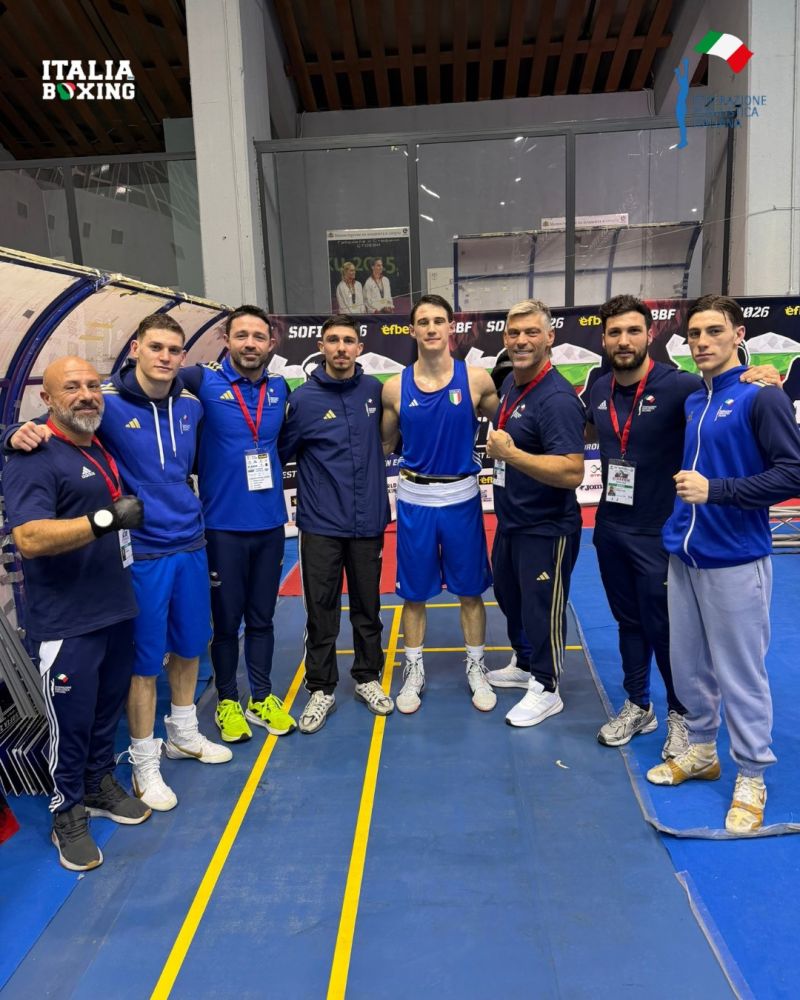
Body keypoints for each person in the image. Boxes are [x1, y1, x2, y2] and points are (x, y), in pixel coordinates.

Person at [8, 315, 233, 811]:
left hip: (190, 544)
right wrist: (13, 434)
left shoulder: (192, 404)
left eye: (174, 349)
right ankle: (144, 760)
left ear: (183, 356)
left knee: (191, 646)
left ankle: (183, 732)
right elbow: (51, 426)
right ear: (136, 348)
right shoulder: (104, 401)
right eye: (156, 347)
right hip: (142, 551)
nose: (165, 357)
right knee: (145, 662)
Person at [584, 295, 781, 760]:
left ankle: (681, 714)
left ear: (649, 334)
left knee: (669, 632)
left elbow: (727, 392)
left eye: (633, 330)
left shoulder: (682, 386)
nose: (624, 340)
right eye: (615, 332)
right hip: (611, 526)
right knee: (628, 623)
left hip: (662, 532)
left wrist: (762, 374)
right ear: (604, 339)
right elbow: (591, 431)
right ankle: (638, 704)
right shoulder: (598, 388)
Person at [646, 295, 800, 833]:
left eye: (714, 331)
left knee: (740, 672)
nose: (703, 342)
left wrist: (717, 491)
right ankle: (703, 751)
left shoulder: (762, 396)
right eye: (694, 334)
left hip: (735, 557)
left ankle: (753, 774)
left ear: (739, 335)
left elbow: (792, 474)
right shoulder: (696, 398)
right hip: (685, 554)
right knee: (689, 666)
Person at [3, 357, 150, 871]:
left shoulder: (96, 441)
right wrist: (106, 518)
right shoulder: (33, 454)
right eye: (71, 387)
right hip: (67, 619)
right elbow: (29, 537)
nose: (86, 394)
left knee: (105, 711)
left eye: (92, 385)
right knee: (71, 722)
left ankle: (96, 784)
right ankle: (66, 811)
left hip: (114, 606)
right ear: (46, 399)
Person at [180, 306, 295, 743]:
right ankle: (227, 700)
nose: (250, 343)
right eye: (241, 335)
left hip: (269, 525)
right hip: (221, 527)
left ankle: (261, 698)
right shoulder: (200, 380)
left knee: (262, 618)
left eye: (258, 336)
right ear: (226, 340)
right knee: (227, 623)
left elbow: (284, 443)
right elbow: (139, 385)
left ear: (271, 344)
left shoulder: (280, 388)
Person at [381, 294, 497, 714]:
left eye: (438, 321)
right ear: (412, 330)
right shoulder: (394, 387)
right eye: (423, 321)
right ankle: (413, 669)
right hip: (414, 500)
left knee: (470, 591)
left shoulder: (477, 380)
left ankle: (477, 665)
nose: (431, 328)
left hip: (461, 497)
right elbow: (385, 443)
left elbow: (514, 425)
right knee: (414, 594)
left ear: (452, 327)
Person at [279, 314, 393, 734]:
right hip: (321, 525)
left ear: (359, 348)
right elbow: (281, 453)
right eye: (333, 340)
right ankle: (321, 687)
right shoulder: (303, 400)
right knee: (321, 612)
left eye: (348, 340)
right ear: (321, 347)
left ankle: (367, 677)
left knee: (368, 608)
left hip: (367, 523)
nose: (341, 347)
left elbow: (389, 439)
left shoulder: (375, 391)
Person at [483, 299, 585, 726]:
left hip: (547, 527)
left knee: (542, 608)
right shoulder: (512, 383)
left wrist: (512, 455)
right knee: (510, 596)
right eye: (514, 333)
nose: (521, 340)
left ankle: (547, 685)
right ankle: (525, 663)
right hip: (513, 520)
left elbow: (572, 471)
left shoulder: (556, 397)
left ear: (549, 338)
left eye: (531, 332)